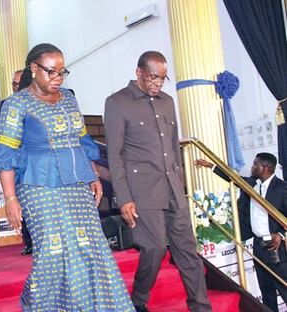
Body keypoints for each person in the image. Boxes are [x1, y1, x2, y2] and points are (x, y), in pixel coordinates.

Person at [0, 43, 134, 311]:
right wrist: (10, 199)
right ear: (33, 68)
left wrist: (92, 174)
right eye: (51, 72)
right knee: (53, 253)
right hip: (38, 186)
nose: (57, 79)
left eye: (61, 73)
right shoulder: (16, 103)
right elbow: (6, 153)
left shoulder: (68, 97)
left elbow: (81, 138)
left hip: (77, 183)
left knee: (92, 248)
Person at [104, 51, 212, 312]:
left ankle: (201, 307)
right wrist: (124, 198)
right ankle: (138, 300)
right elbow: (115, 156)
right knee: (153, 250)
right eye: (153, 77)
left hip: (173, 189)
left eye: (163, 78)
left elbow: (173, 147)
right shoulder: (117, 102)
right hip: (142, 193)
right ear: (139, 72)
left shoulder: (167, 102)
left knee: (188, 251)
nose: (158, 84)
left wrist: (180, 183)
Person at [195, 154, 287, 312]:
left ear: (265, 168)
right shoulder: (252, 183)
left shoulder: (282, 187)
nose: (252, 167)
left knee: (283, 286)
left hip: (275, 246)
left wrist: (281, 233)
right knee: (266, 289)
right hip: (258, 245)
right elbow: (232, 177)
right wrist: (210, 165)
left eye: (255, 165)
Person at [0, 69, 32, 255]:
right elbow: (0, 136)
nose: (17, 87)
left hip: (34, 159)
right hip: (14, 161)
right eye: (14, 84)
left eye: (20, 83)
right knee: (19, 200)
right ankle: (28, 241)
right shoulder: (7, 105)